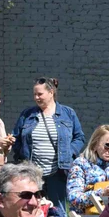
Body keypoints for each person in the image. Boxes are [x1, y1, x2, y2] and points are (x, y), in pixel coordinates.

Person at [10, 77, 85, 209]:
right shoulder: (27, 114)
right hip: (32, 172)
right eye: (34, 94)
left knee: (59, 211)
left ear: (51, 92)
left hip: (58, 173)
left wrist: (69, 152)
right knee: (32, 208)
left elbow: (79, 137)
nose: (36, 98)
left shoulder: (68, 114)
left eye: (40, 94)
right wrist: (21, 153)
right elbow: (15, 138)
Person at [67, 125, 109, 216]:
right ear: (95, 145)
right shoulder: (80, 164)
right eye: (107, 145)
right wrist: (101, 193)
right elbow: (73, 198)